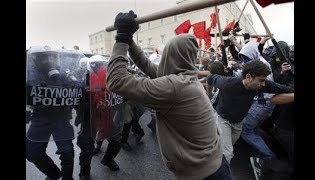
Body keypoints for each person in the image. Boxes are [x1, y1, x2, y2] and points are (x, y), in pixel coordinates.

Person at [107, 10, 233, 180]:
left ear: (170, 56)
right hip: (214, 165)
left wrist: (121, 38)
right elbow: (147, 65)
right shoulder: (186, 77)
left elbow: (116, 81)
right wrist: (129, 39)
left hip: (204, 175)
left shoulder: (174, 87)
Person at [208, 60, 293, 164]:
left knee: (227, 147)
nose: (263, 84)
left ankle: (213, 155)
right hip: (222, 120)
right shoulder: (228, 83)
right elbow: (210, 78)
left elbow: (283, 88)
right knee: (227, 153)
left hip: (238, 122)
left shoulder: (262, 84)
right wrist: (209, 95)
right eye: (261, 80)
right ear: (248, 77)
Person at [26, 46, 84, 180]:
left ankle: (68, 178)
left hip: (61, 118)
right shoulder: (30, 77)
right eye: (45, 57)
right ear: (36, 59)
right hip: (40, 118)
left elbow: (78, 93)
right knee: (32, 153)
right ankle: (54, 174)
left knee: (67, 152)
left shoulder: (64, 75)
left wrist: (71, 82)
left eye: (52, 56)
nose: (49, 60)